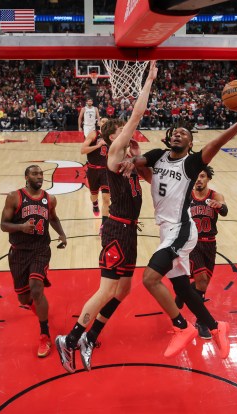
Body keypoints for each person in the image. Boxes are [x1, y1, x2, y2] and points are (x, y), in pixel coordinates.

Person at [120, 88, 237, 359]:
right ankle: (217, 327)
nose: (178, 133)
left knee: (150, 278)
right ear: (169, 137)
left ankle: (182, 326)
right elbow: (143, 168)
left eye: (185, 133)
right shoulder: (158, 155)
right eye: (175, 131)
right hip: (165, 230)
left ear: (191, 142)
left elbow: (218, 142)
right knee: (182, 286)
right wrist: (131, 159)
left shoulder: (192, 163)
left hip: (182, 229)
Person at [55, 61, 158, 373]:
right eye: (124, 134)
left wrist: (140, 163)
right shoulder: (114, 154)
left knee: (124, 290)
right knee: (105, 289)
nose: (129, 136)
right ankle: (70, 340)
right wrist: (149, 79)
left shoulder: (131, 162)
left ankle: (92, 336)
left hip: (128, 229)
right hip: (116, 230)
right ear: (114, 137)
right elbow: (137, 116)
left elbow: (152, 178)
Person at [0, 165, 68, 358]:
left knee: (36, 287)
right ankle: (37, 307)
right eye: (35, 174)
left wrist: (62, 234)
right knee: (23, 298)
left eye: (41, 174)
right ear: (26, 177)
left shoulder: (50, 199)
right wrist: (21, 227)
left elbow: (53, 218)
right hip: (19, 252)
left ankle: (44, 334)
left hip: (40, 250)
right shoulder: (14, 197)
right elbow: (3, 225)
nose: (39, 177)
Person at [174, 165, 227, 339]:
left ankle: (183, 292)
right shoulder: (187, 196)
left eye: (202, 176)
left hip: (210, 245)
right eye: (196, 176)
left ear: (208, 178)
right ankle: (202, 321)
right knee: (202, 281)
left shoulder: (215, 196)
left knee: (201, 286)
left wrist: (219, 206)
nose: (199, 179)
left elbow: (225, 211)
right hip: (192, 244)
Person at [81, 117, 110, 223]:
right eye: (103, 121)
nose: (104, 123)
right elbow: (83, 150)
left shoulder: (112, 137)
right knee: (94, 195)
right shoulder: (94, 134)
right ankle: (95, 204)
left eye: (107, 122)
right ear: (99, 123)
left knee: (106, 198)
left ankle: (104, 225)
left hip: (106, 170)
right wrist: (98, 146)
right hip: (93, 170)